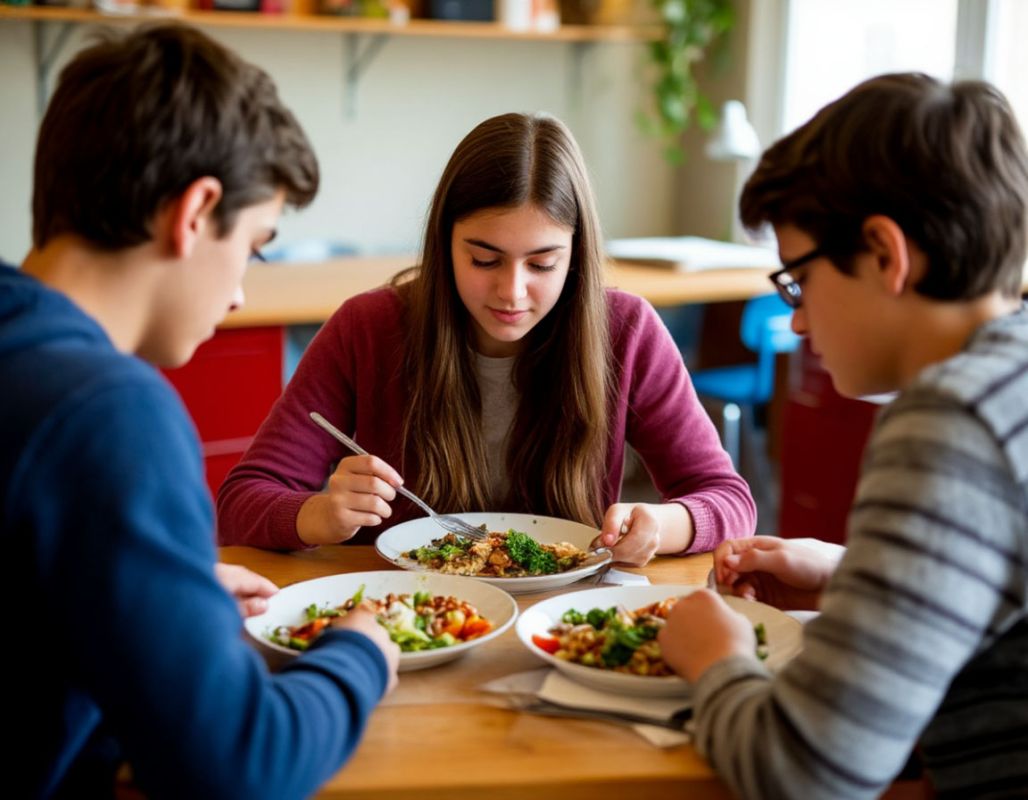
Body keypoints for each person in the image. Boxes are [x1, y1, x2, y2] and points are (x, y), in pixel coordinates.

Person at [1, 24, 400, 799]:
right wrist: (361, 653)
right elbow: (237, 767)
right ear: (196, 212)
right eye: (254, 245)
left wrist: (161, 590)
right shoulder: (113, 413)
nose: (242, 291)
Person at [657, 72, 1028, 799]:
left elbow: (805, 771)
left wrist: (715, 657)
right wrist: (855, 573)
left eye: (798, 280)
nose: (796, 321)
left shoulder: (953, 420)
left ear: (885, 255)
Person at [216, 112, 756, 564]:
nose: (512, 292)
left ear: (576, 256)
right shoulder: (370, 328)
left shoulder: (625, 330)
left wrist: (662, 524)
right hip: (404, 616)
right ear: (444, 242)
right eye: (483, 259)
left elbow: (729, 501)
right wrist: (316, 514)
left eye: (543, 263)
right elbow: (239, 502)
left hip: (560, 620)